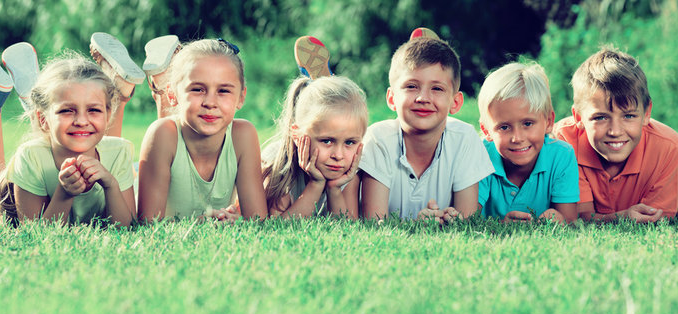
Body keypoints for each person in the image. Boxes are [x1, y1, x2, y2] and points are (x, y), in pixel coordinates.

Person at [0, 44, 136, 227]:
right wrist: (64, 194)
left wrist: (111, 185)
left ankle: (30, 96)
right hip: (4, 208)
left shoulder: (119, 152)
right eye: (67, 111)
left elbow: (125, 228)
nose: (81, 121)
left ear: (108, 115)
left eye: (93, 110)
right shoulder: (31, 157)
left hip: (46, 127)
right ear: (44, 120)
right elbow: (37, 234)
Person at [360, 28, 494, 223]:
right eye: (411, 86)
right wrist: (416, 225)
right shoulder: (378, 139)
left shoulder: (465, 138)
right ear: (391, 98)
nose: (423, 98)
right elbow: (374, 223)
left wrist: (450, 220)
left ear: (455, 103)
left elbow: (467, 222)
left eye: (437, 88)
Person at [137, 38, 268, 222]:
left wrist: (234, 221)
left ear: (241, 97)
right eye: (198, 89)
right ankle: (144, 86)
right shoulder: (161, 135)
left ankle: (162, 82)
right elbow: (148, 224)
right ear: (173, 95)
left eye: (223, 91)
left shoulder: (243, 135)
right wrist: (197, 222)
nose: (210, 103)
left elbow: (258, 220)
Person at [553, 47, 678, 222]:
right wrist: (621, 218)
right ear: (578, 117)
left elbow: (656, 218)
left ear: (647, 113)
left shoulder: (668, 146)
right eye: (600, 117)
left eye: (629, 116)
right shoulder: (564, 140)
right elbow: (579, 217)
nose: (615, 131)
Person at [261, 36, 366, 218]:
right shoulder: (280, 167)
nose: (338, 155)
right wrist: (316, 185)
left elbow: (348, 232)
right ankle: (323, 86)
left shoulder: (350, 175)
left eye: (350, 142)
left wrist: (334, 190)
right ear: (297, 135)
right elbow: (278, 228)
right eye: (327, 141)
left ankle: (324, 86)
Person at [477, 62, 578, 223]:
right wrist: (501, 224)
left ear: (549, 121)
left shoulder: (562, 156)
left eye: (527, 124)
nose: (517, 138)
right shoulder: (480, 156)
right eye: (504, 127)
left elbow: (570, 221)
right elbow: (466, 221)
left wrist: (558, 219)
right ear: (487, 130)